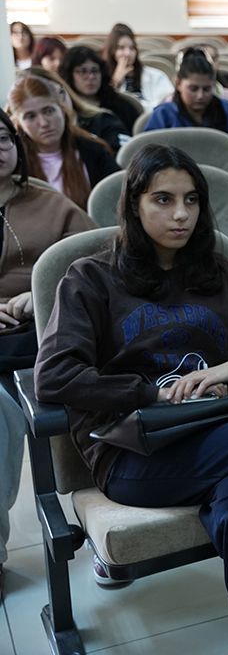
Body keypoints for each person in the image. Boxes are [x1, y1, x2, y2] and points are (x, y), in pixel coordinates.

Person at [33, 145, 228, 654]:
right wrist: (151, 392)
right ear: (134, 204)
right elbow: (55, 376)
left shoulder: (224, 273)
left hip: (217, 430)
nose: (181, 214)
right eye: (163, 200)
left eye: (191, 200)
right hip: (134, 452)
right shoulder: (90, 278)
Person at [0, 108, 95, 599]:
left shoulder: (49, 203)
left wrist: (38, 293)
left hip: (44, 333)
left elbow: (97, 260)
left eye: (3, 139)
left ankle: (100, 521)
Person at [8, 75, 118, 209]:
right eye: (30, 116)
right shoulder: (12, 163)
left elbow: (117, 204)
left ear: (62, 109)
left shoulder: (94, 151)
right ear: (18, 123)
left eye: (49, 111)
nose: (43, 123)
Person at [144, 50, 228, 167]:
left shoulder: (227, 111)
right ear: (178, 84)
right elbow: (148, 155)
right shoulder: (163, 115)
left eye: (207, 89)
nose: (200, 96)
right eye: (193, 89)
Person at [28, 67, 129, 154]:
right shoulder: (25, 143)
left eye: (60, 93)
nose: (60, 104)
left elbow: (125, 159)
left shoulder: (103, 120)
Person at [59, 46, 142, 132]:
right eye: (83, 71)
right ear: (69, 75)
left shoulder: (120, 105)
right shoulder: (63, 109)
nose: (91, 76)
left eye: (95, 70)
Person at [103, 23, 174, 108]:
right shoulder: (101, 77)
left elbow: (168, 103)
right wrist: (115, 82)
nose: (128, 53)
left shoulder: (155, 75)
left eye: (132, 48)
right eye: (121, 48)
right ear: (112, 52)